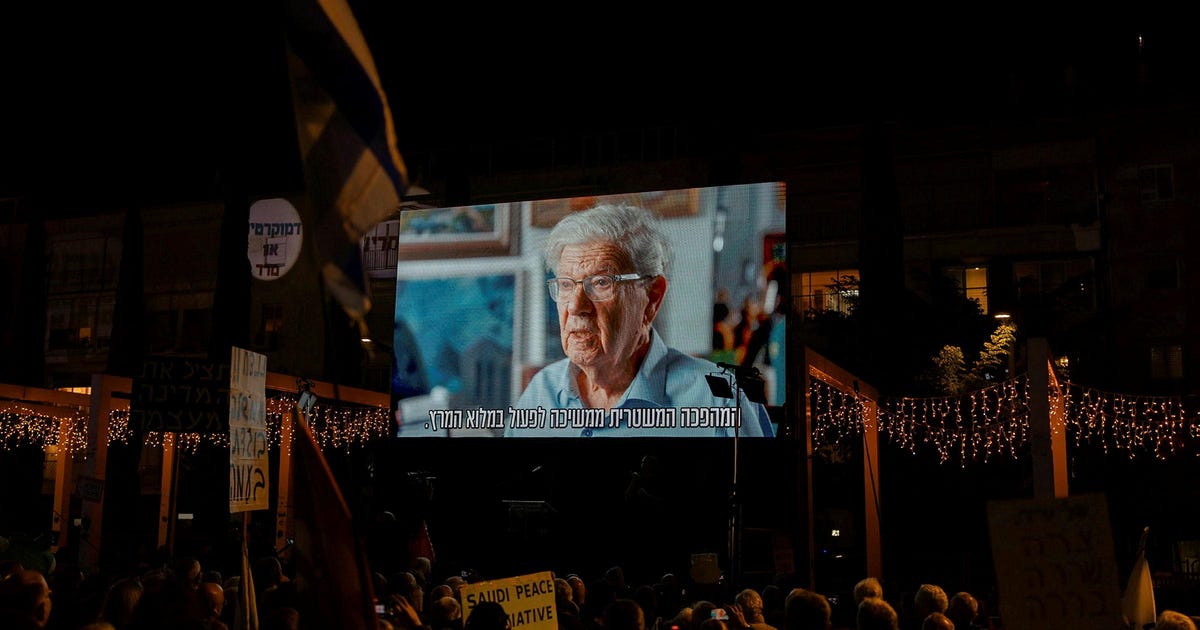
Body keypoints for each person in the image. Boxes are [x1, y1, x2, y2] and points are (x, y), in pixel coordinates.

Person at [506, 202, 774, 437]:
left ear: (652, 298)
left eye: (601, 283)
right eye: (566, 285)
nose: (575, 306)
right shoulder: (539, 393)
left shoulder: (721, 400)